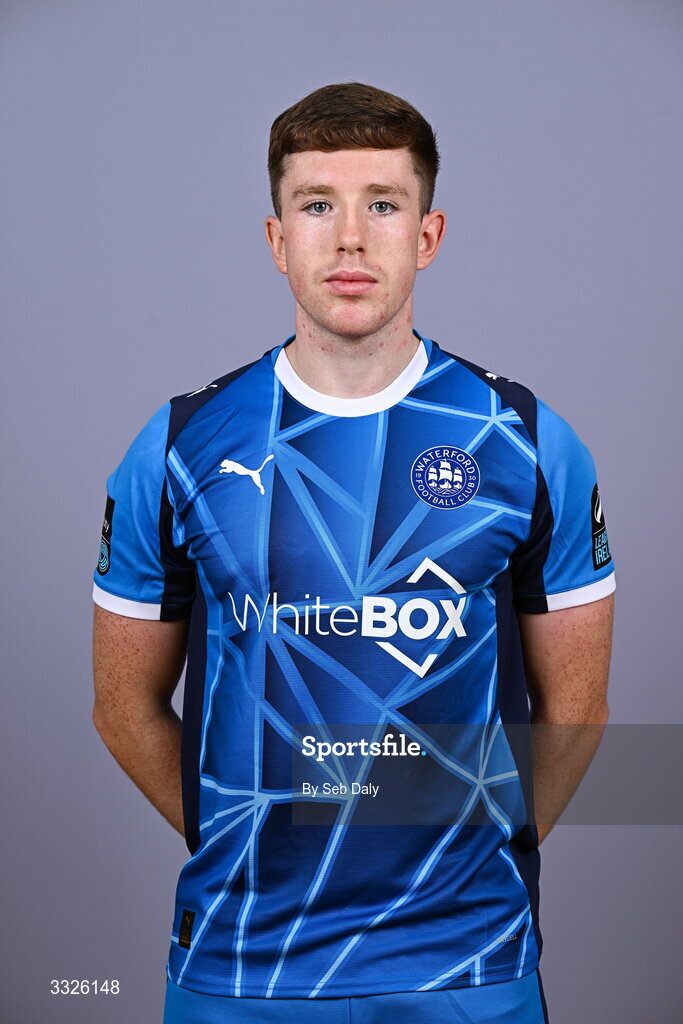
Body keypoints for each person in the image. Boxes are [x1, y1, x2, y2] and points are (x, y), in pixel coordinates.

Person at [91, 82, 616, 1024]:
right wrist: (242, 830)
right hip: (242, 966)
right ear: (275, 237)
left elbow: (575, 705)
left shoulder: (524, 438)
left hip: (467, 967)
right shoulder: (180, 444)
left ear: (427, 234)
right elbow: (122, 705)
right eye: (315, 205)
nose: (348, 239)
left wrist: (480, 839)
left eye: (382, 204)